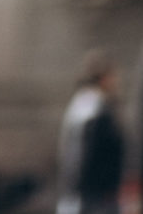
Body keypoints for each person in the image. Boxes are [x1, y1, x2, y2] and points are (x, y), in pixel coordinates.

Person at [59, 49, 126, 214]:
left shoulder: (79, 105)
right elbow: (95, 156)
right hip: (97, 197)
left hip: (75, 193)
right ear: (104, 78)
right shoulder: (98, 109)